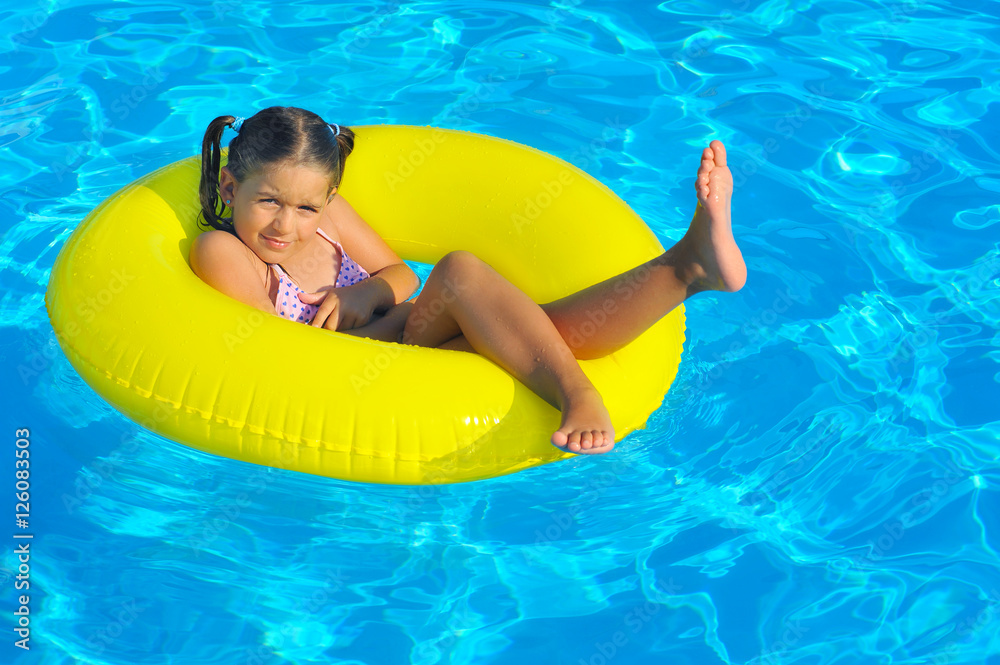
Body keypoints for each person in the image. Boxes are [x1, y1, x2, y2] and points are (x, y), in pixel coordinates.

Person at [190, 106, 746, 457]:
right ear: (230, 185)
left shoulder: (328, 216)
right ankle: (583, 385)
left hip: (402, 332)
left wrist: (368, 291)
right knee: (460, 273)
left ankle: (688, 267)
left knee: (513, 317)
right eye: (267, 201)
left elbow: (401, 275)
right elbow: (272, 357)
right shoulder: (224, 251)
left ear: (326, 199)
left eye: (305, 207)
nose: (287, 224)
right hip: (353, 371)